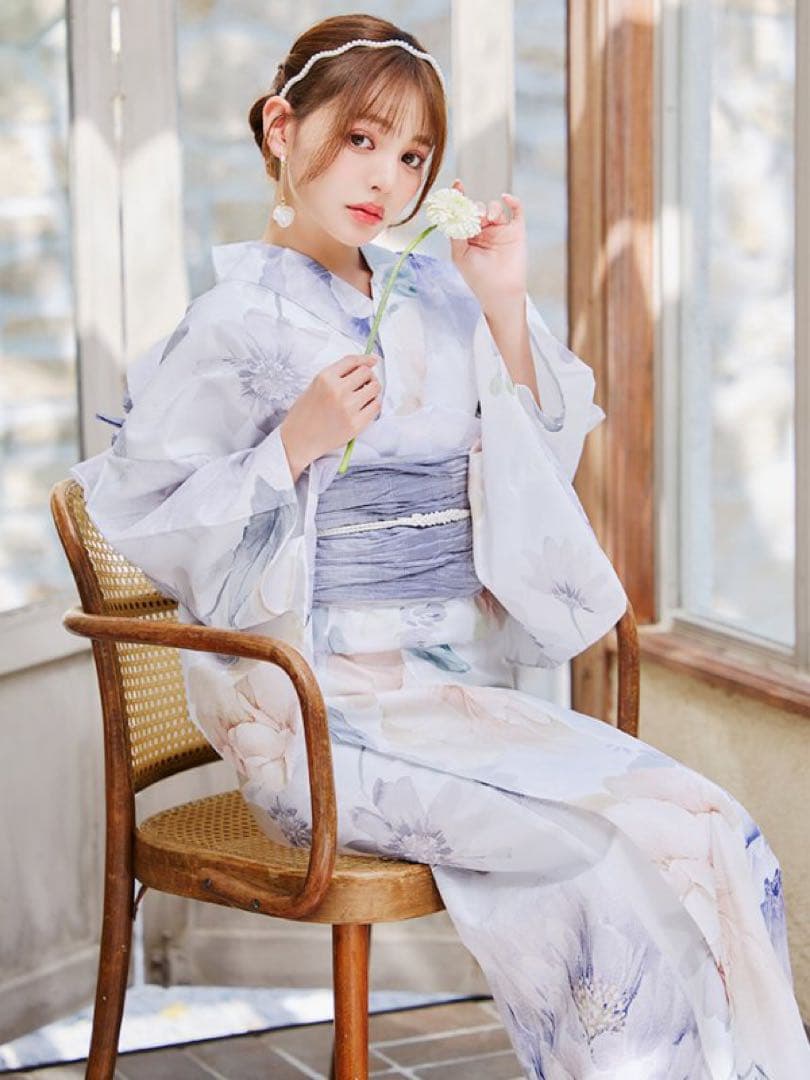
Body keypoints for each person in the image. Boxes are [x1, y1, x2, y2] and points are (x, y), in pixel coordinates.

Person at [70, 13, 810, 1078]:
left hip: (447, 696)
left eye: (414, 156)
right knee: (599, 854)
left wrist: (502, 304)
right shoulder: (231, 323)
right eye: (360, 138)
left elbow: (539, 466)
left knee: (706, 821)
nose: (389, 178)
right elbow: (147, 513)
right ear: (281, 127)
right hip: (313, 725)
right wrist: (291, 446)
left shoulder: (437, 295)